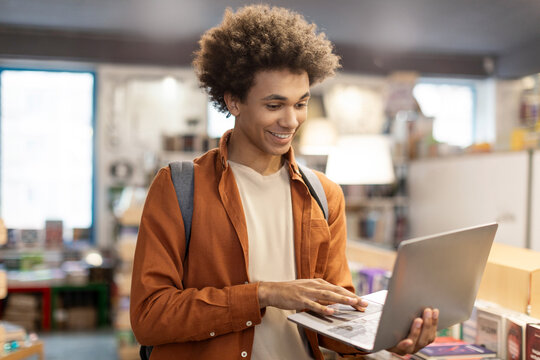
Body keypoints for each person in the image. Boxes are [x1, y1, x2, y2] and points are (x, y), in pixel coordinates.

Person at [130, 4, 439, 360]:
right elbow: (150, 317)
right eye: (275, 105)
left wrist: (386, 340)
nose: (291, 121)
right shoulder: (179, 188)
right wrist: (262, 294)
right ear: (234, 100)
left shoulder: (324, 195)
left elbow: (334, 321)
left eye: (301, 103)